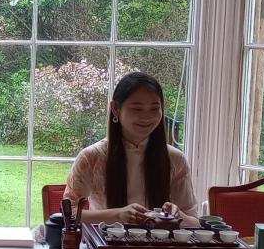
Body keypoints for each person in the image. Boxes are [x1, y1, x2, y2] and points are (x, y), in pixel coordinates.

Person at [64, 72, 199, 227]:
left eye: (154, 108)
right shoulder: (92, 158)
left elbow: (194, 222)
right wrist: (117, 215)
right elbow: (69, 212)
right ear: (115, 109)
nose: (147, 117)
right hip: (106, 247)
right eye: (137, 109)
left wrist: (178, 216)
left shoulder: (175, 159)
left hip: (160, 248)